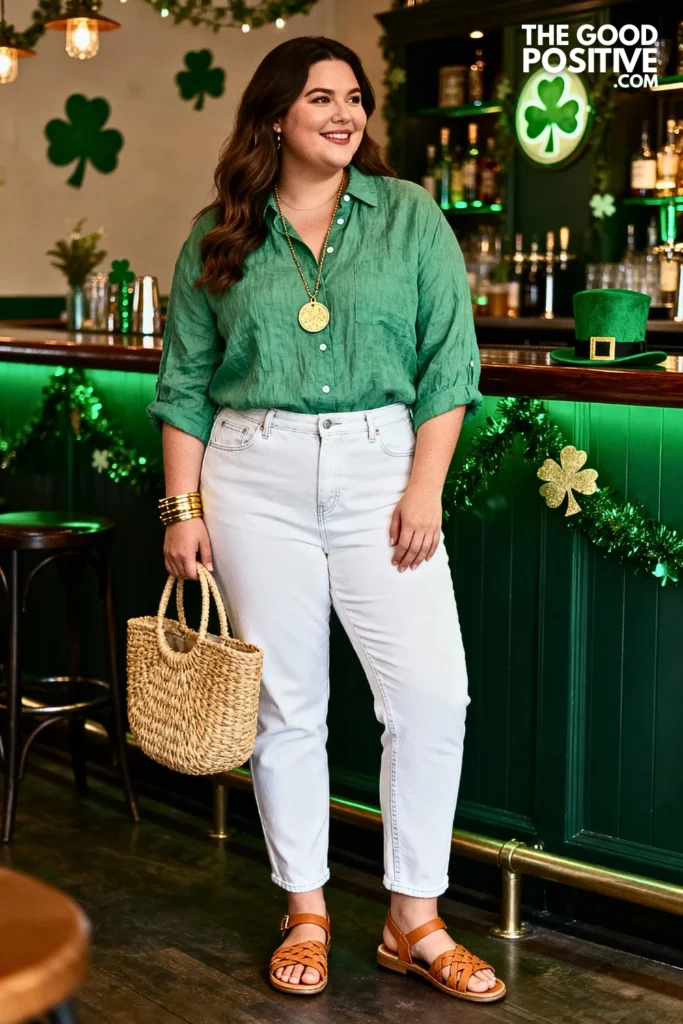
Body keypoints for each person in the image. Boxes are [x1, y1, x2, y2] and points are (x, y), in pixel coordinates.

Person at [147, 34, 505, 1004]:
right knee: (286, 706)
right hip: (251, 472)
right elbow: (182, 387)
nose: (344, 113)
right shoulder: (217, 233)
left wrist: (422, 487)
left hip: (381, 471)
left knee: (431, 698)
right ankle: (303, 906)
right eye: (320, 98)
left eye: (354, 98)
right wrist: (183, 510)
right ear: (274, 116)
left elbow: (447, 367)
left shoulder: (409, 216)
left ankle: (411, 918)